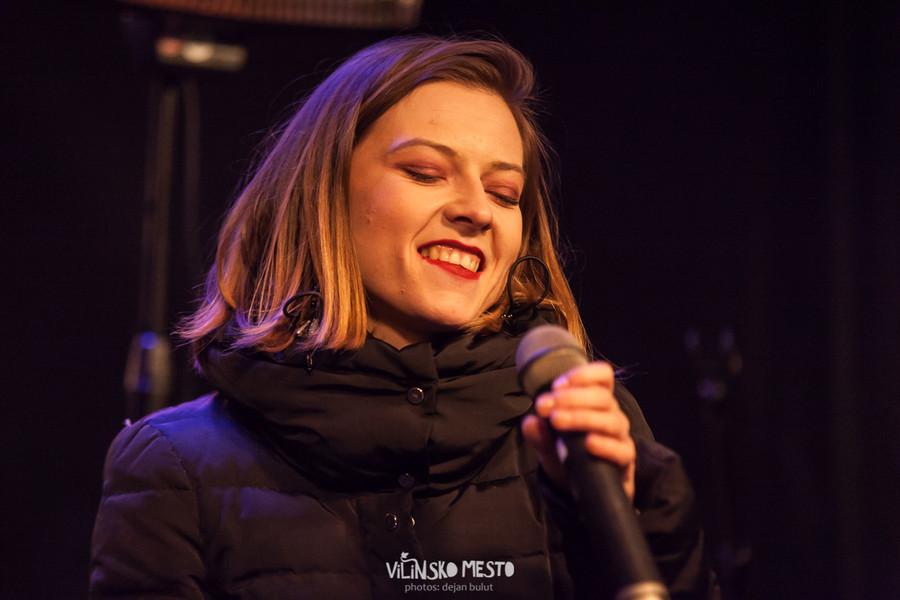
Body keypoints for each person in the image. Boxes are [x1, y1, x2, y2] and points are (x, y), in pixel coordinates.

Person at [90, 34, 719, 599]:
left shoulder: (585, 434)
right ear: (322, 195)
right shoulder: (174, 467)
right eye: (425, 173)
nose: (478, 210)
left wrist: (634, 527)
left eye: (504, 193)